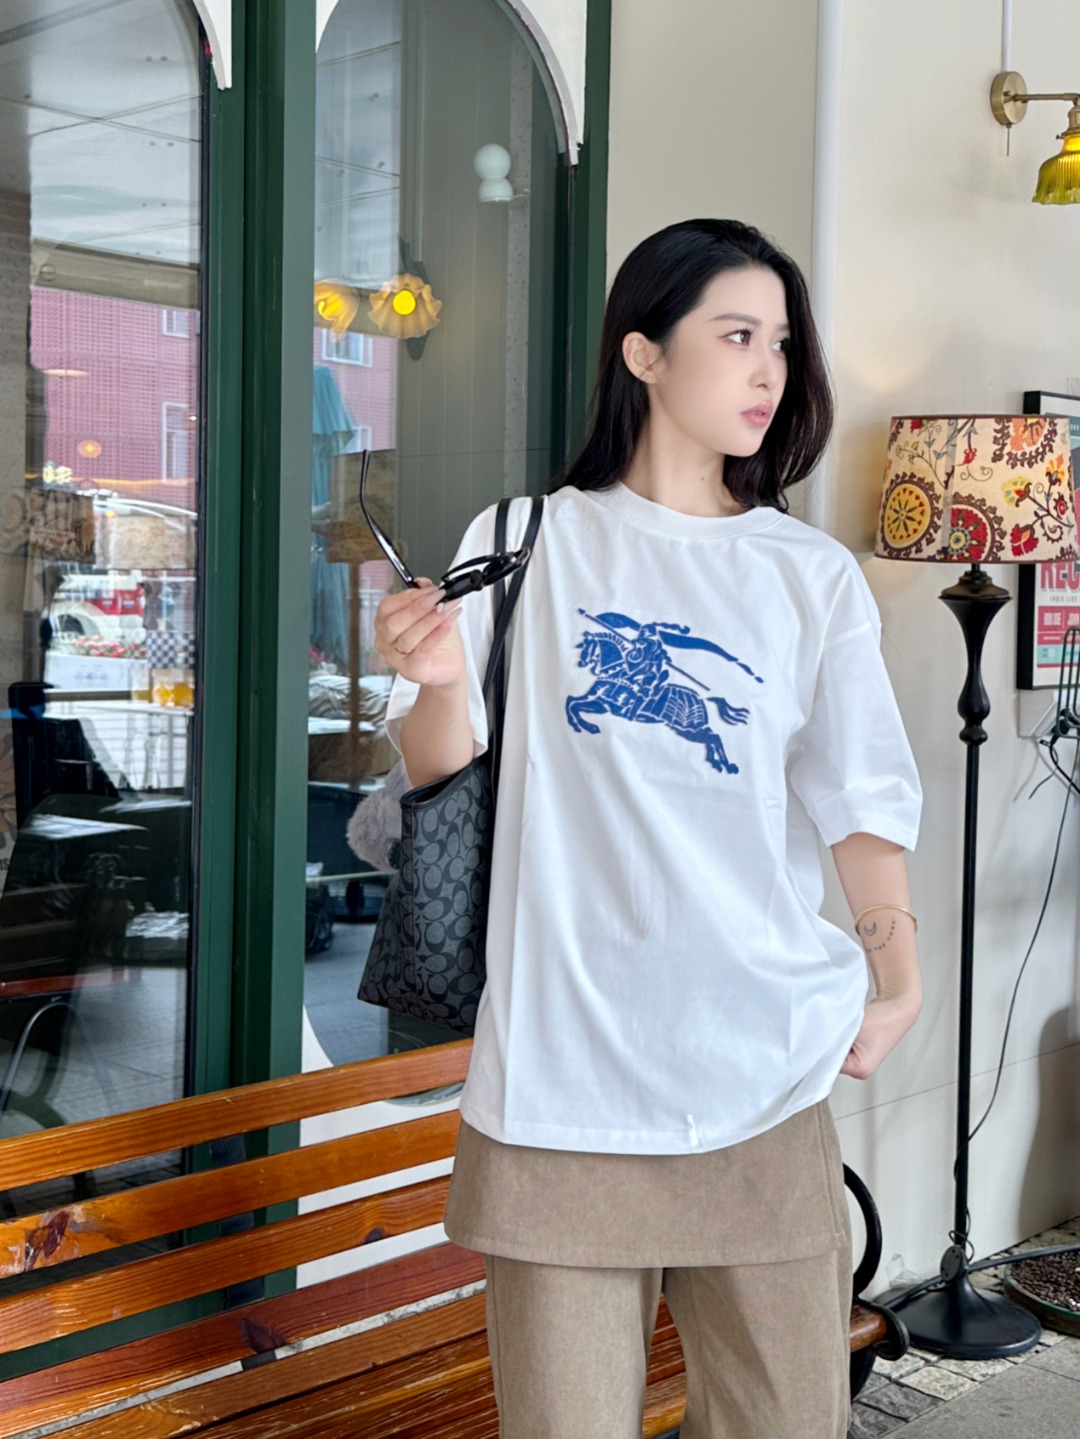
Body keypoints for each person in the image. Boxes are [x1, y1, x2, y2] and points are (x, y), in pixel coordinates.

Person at [373, 218, 924, 1439]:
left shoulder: (808, 575)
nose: (768, 369)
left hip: (763, 1071)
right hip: (562, 1085)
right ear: (644, 352)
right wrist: (438, 677)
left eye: (781, 342)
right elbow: (439, 765)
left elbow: (861, 796)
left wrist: (898, 968)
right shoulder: (526, 543)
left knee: (788, 1420)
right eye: (737, 335)